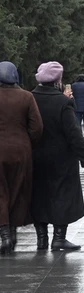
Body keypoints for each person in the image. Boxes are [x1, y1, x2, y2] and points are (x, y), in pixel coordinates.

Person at [31, 62, 84, 251]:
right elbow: (73, 132)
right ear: (58, 80)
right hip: (62, 159)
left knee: (38, 195)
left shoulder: (30, 98)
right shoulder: (63, 102)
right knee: (62, 195)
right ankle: (59, 238)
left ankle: (41, 238)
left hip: (35, 157)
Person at [0, 61, 44, 254]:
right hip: (20, 151)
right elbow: (37, 127)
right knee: (18, 190)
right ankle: (13, 232)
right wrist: (27, 142)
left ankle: (4, 235)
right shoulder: (27, 97)